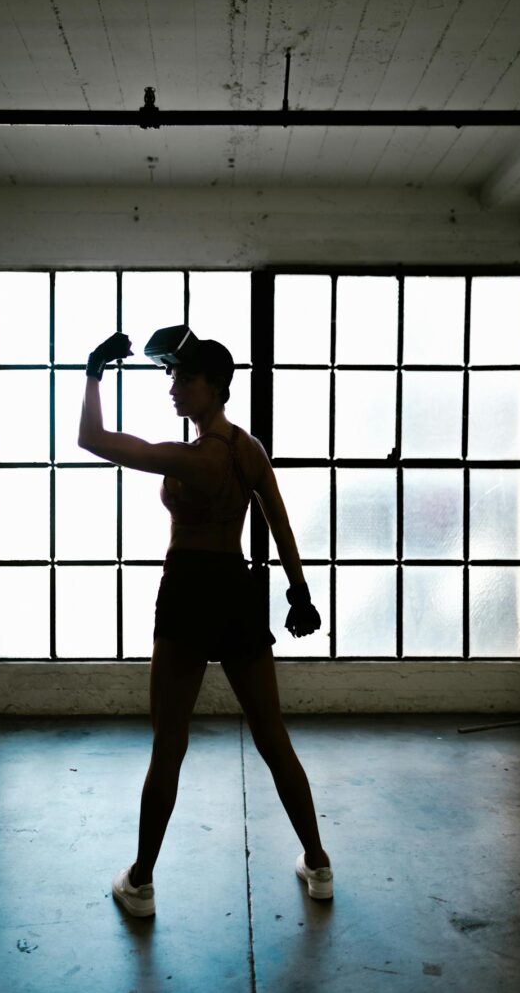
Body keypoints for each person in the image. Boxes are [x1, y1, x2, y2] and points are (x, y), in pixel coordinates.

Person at [78, 329, 332, 919]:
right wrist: (299, 593)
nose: (173, 387)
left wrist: (94, 371)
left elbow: (92, 438)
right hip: (237, 588)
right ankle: (318, 864)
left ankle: (139, 882)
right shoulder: (247, 449)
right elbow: (280, 522)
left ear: (216, 387)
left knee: (170, 743)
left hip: (190, 589)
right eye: (172, 377)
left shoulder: (192, 457)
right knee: (273, 738)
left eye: (184, 379)